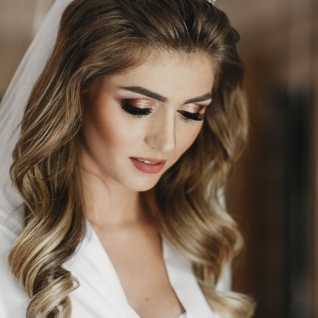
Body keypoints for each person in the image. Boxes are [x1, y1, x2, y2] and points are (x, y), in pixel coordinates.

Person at [0, 0, 255, 317]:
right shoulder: (12, 244)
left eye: (191, 113)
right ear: (79, 91)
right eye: (139, 107)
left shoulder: (197, 233)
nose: (166, 141)